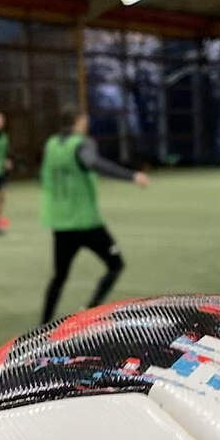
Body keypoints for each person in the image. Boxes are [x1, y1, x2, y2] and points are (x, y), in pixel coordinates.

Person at [39, 111, 149, 323]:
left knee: (59, 276)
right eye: (84, 120)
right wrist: (131, 176)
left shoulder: (51, 144)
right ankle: (90, 310)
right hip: (86, 223)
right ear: (78, 122)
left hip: (61, 222)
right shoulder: (80, 144)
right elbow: (94, 163)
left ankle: (44, 323)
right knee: (116, 264)